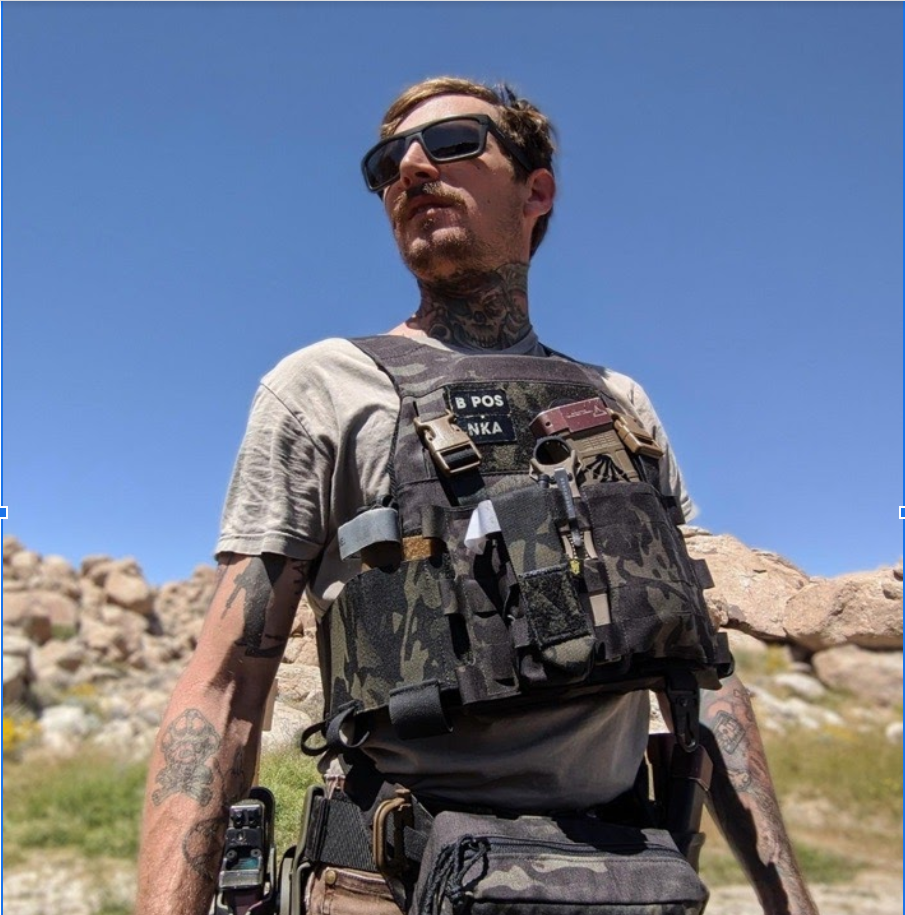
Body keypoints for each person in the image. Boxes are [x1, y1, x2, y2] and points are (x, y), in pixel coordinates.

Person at [136, 77, 819, 915]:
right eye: (386, 162)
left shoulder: (616, 406)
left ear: (537, 191)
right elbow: (225, 690)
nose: (412, 168)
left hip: (621, 881)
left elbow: (700, 679)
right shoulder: (321, 387)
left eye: (455, 142)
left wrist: (790, 902)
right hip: (389, 882)